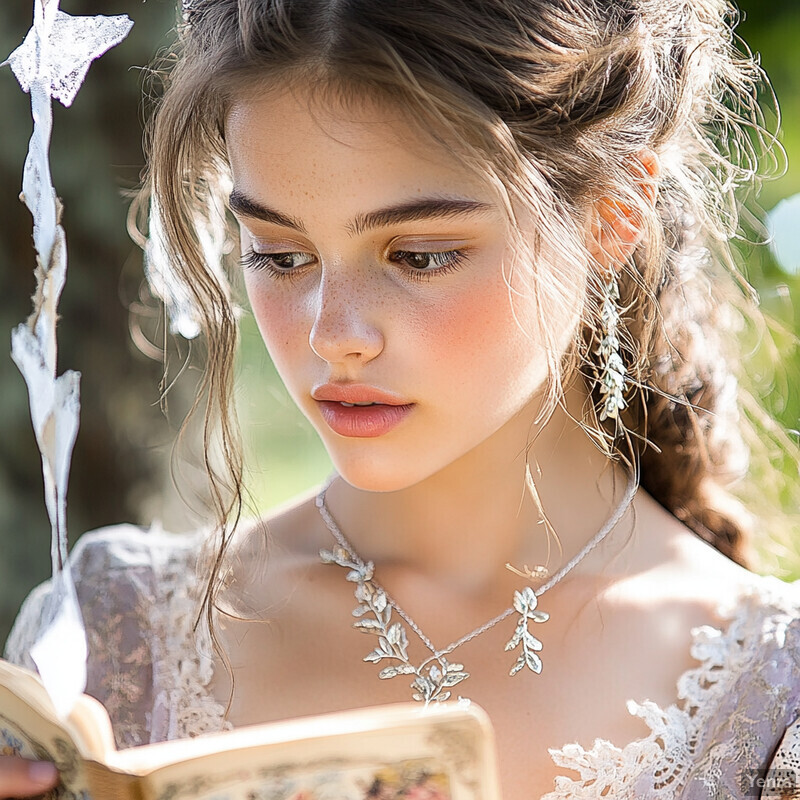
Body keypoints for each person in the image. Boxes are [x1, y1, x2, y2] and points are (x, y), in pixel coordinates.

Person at [3, 0, 800, 797]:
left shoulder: (769, 700)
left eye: (418, 256)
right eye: (280, 257)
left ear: (610, 218)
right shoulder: (116, 635)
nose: (332, 335)